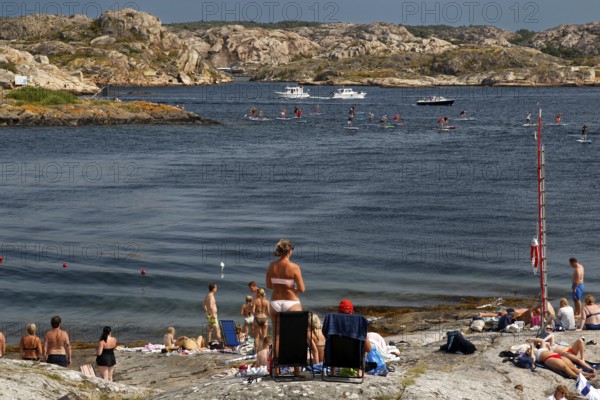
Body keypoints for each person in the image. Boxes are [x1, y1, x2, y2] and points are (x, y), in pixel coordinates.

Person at [267, 239, 305, 320]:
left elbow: (269, 286)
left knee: (276, 332)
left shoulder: (271, 266)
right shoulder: (294, 267)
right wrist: (292, 288)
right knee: (294, 331)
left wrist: (280, 284)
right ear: (289, 250)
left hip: (275, 302)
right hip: (291, 302)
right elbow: (302, 289)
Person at [528, 343, 595, 380]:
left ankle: (585, 374)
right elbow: (532, 360)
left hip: (557, 355)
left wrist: (532, 340)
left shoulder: (542, 348)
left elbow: (542, 340)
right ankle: (577, 377)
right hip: (548, 358)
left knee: (573, 367)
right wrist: (531, 349)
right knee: (565, 367)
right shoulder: (533, 353)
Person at [529, 333, 594, 371]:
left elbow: (551, 335)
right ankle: (591, 369)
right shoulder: (545, 349)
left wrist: (544, 340)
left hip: (570, 350)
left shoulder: (552, 343)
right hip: (565, 354)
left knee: (580, 340)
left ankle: (583, 358)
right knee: (578, 360)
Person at [252, 288, 270, 353]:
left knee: (256, 337)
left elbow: (253, 311)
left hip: (257, 318)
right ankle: (264, 352)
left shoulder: (256, 301)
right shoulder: (267, 302)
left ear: (258, 293)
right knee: (264, 337)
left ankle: (256, 352)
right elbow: (268, 312)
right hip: (264, 319)